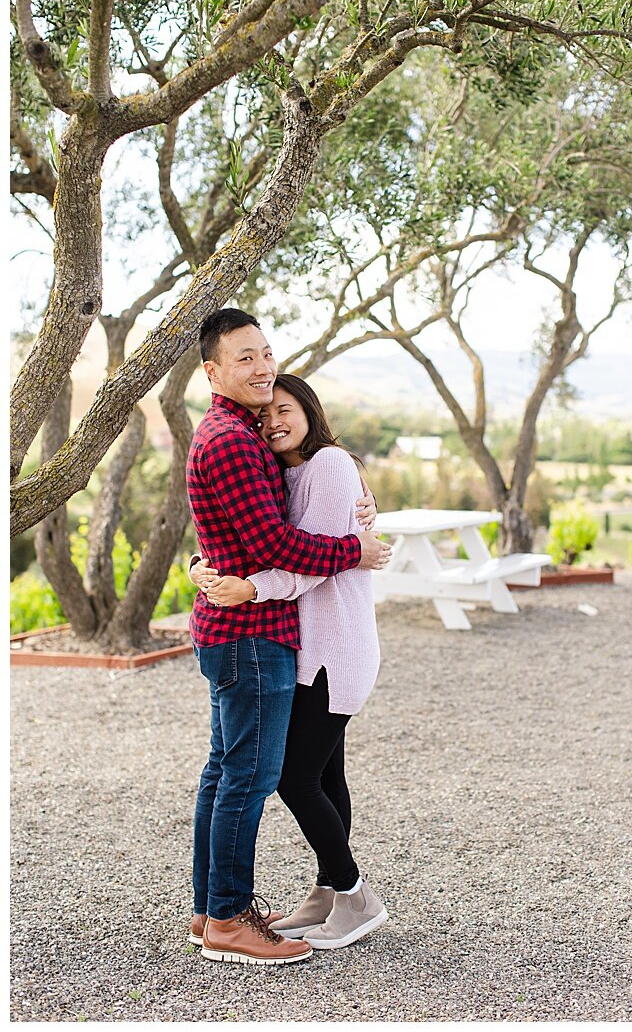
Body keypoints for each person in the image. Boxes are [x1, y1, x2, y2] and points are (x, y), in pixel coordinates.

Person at [186, 309, 390, 966]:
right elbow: (275, 546)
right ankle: (229, 914)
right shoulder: (236, 441)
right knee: (259, 775)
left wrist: (349, 546)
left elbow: (274, 550)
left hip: (314, 643)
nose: (262, 371)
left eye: (266, 354)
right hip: (256, 637)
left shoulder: (308, 461)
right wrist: (351, 549)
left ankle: (320, 894)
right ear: (213, 371)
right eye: (244, 358)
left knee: (272, 773)